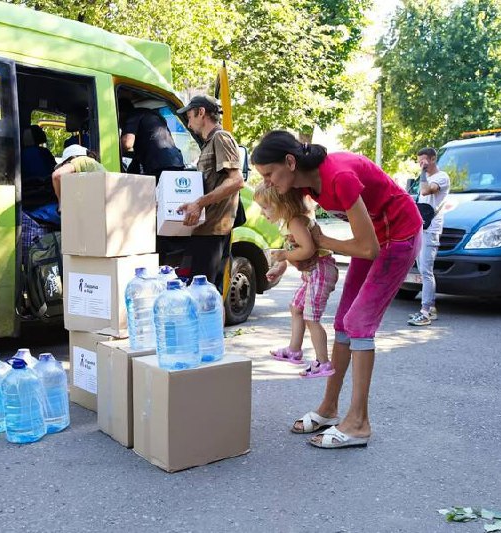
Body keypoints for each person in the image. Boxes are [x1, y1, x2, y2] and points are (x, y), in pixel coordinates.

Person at [251, 130, 422, 449]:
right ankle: (329, 408)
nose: (269, 182)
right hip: (375, 239)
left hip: (399, 237)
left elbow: (367, 249)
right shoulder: (304, 184)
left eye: (269, 174)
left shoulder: (338, 177)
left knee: (359, 323)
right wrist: (292, 259)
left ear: (290, 162)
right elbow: (301, 232)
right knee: (343, 322)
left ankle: (358, 423)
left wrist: (322, 243)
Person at [253, 183, 338, 378]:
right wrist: (279, 267)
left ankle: (322, 363)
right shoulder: (288, 223)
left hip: (321, 270)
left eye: (265, 207)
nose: (262, 213)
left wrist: (283, 255)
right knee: (296, 307)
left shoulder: (296, 222)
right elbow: (294, 251)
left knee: (311, 317)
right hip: (313, 272)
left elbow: (307, 250)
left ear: (283, 204)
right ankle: (294, 350)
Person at [175, 95, 244, 291]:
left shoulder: (221, 138)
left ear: (201, 112)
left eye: (189, 117)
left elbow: (237, 180)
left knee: (207, 294)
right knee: (201, 293)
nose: (188, 124)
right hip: (204, 229)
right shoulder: (209, 143)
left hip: (214, 230)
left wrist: (199, 203)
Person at [408, 147, 450, 326]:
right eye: (419, 161)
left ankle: (425, 311)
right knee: (422, 268)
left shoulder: (442, 177)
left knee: (426, 271)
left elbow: (426, 191)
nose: (421, 164)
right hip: (421, 228)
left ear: (433, 159)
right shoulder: (426, 178)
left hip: (431, 229)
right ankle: (430, 309)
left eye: (424, 160)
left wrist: (423, 173)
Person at [118, 98, 185, 181]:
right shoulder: (153, 115)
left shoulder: (132, 116)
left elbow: (127, 143)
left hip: (159, 167)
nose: (119, 124)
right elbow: (142, 152)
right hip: (176, 163)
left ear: (120, 113)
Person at [20, 125, 57, 222]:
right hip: (44, 195)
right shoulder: (44, 153)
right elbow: (54, 171)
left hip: (26, 196)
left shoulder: (20, 154)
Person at [50, 144, 104, 209]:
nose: (63, 167)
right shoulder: (95, 165)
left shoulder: (81, 160)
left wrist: (61, 203)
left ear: (70, 159)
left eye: (63, 164)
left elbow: (57, 175)